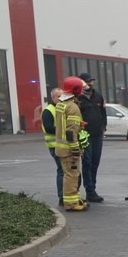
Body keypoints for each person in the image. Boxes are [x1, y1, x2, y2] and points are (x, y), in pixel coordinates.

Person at [53, 76, 90, 212]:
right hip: (69, 150)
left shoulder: (61, 104)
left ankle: (75, 199)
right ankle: (70, 203)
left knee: (71, 174)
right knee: (71, 175)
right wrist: (75, 150)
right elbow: (70, 132)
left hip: (61, 148)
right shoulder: (73, 107)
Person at [76, 72, 107, 203]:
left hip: (97, 135)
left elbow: (103, 113)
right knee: (87, 163)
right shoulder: (77, 98)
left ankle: (92, 189)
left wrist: (103, 126)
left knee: (95, 162)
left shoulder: (98, 96)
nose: (90, 84)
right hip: (85, 136)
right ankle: (90, 190)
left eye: (91, 81)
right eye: (87, 82)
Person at [41, 87, 64, 206]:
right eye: (58, 96)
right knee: (62, 170)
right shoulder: (48, 111)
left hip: (64, 145)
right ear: (53, 98)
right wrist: (63, 130)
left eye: (62, 96)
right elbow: (49, 127)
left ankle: (68, 195)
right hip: (55, 145)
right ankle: (62, 197)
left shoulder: (62, 108)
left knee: (67, 171)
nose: (61, 99)